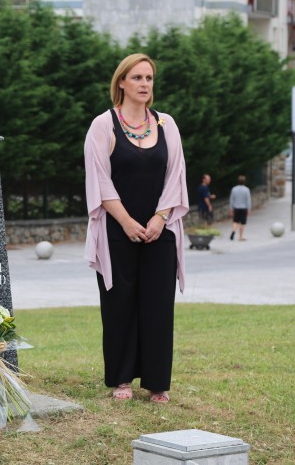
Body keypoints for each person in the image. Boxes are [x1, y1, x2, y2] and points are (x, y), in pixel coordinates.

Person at [84, 53, 189, 404]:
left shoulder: (165, 124)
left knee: (158, 304)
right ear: (121, 83)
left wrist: (160, 218)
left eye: (149, 78)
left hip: (161, 229)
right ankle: (122, 380)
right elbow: (98, 180)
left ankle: (158, 383)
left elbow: (176, 176)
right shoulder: (103, 125)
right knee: (119, 305)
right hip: (117, 230)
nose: (145, 84)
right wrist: (128, 222)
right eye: (138, 78)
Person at [229, 175, 251, 241]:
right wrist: (249, 209)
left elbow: (231, 199)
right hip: (244, 208)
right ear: (244, 181)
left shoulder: (234, 189)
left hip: (236, 208)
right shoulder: (246, 190)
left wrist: (231, 209)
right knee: (242, 222)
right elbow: (248, 200)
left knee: (235, 221)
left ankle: (233, 231)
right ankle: (240, 236)